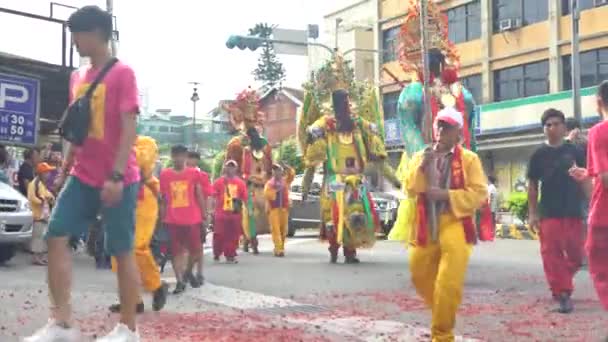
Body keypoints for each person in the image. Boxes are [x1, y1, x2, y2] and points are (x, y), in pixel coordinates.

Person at [25, 6, 142, 342]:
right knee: (56, 235)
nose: (74, 41)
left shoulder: (123, 74)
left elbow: (128, 126)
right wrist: (63, 172)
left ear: (96, 33)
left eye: (77, 34)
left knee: (120, 249)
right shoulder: (77, 78)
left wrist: (117, 176)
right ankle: (61, 324)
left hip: (119, 178)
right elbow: (76, 128)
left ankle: (128, 330)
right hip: (82, 175)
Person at [406, 107, 487, 341]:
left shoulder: (469, 159)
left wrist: (445, 195)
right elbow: (411, 188)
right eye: (439, 125)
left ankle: (442, 334)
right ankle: (444, 311)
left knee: (448, 280)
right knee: (418, 273)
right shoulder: (421, 155)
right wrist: (422, 166)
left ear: (457, 132)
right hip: (426, 222)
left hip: (455, 222)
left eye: (447, 126)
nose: (441, 130)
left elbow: (479, 194)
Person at [527, 108, 586, 314]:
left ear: (563, 127)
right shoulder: (538, 154)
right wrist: (532, 213)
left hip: (574, 211)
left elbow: (588, 178)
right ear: (544, 129)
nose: (551, 128)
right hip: (549, 213)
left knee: (578, 256)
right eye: (547, 125)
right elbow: (532, 186)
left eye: (555, 124)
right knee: (551, 254)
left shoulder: (576, 151)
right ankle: (563, 293)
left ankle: (561, 280)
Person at [108, 136, 168, 314]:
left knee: (136, 247)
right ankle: (133, 300)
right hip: (119, 199)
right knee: (118, 252)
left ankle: (157, 286)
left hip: (143, 198)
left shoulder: (146, 143)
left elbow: (141, 164)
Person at [569, 80, 608, 311]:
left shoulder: (599, 131)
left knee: (601, 272)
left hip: (604, 217)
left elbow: (605, 179)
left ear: (599, 101)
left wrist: (597, 177)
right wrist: (589, 174)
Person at [159, 145, 206, 294]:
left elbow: (199, 194)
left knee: (196, 251)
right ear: (172, 157)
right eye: (175, 156)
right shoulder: (165, 175)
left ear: (185, 157)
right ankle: (180, 281)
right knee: (176, 252)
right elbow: (164, 199)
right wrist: (161, 217)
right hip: (172, 220)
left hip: (192, 219)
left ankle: (187, 271)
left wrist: (205, 215)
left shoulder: (194, 173)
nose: (178, 159)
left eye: (181, 155)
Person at [185, 151, 213, 283]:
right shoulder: (178, 175)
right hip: (181, 215)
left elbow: (207, 196)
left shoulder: (202, 176)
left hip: (197, 216)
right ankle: (185, 273)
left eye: (193, 159)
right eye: (189, 159)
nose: (190, 161)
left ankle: (199, 272)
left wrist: (206, 215)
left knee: (198, 246)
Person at [212, 160, 247, 264]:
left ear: (236, 169)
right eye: (228, 166)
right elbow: (213, 196)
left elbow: (244, 198)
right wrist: (211, 211)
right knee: (219, 235)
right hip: (221, 214)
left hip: (235, 214)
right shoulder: (218, 182)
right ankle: (217, 252)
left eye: (233, 167)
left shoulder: (240, 183)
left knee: (233, 236)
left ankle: (230, 255)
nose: (230, 169)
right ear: (225, 168)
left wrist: (247, 210)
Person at [264, 162, 295, 257]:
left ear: (281, 172)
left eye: (278, 170)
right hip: (274, 210)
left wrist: (287, 167)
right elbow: (267, 194)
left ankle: (281, 247)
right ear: (273, 172)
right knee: (275, 230)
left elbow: (292, 175)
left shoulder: (285, 181)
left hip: (284, 210)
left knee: (283, 230)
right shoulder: (270, 183)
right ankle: (278, 249)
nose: (277, 172)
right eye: (275, 170)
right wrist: (275, 191)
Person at [28, 163, 56, 266]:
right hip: (37, 215)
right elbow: (32, 197)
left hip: (43, 215)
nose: (49, 174)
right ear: (42, 173)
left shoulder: (41, 184)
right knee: (37, 237)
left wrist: (51, 197)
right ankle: (36, 257)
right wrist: (43, 200)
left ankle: (39, 257)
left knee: (42, 237)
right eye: (47, 172)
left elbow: (47, 193)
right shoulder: (34, 183)